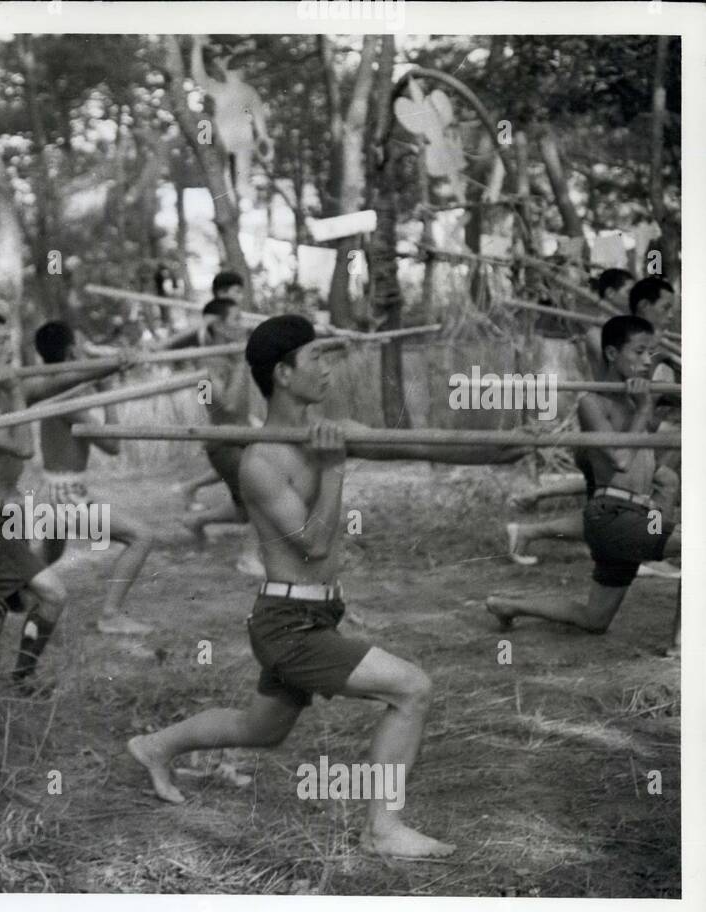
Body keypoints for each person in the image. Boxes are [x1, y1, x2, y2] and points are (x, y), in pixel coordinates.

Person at [129, 315, 524, 858]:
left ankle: (154, 746)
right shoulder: (261, 461)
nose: (328, 368)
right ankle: (381, 829)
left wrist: (507, 448)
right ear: (284, 373)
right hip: (288, 625)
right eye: (317, 358)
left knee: (261, 728)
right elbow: (312, 545)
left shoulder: (331, 432)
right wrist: (335, 468)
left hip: (315, 615)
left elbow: (419, 445)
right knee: (412, 689)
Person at [0, 309, 101, 690]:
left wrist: (111, 365)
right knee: (53, 595)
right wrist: (13, 391)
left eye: (10, 340)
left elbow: (64, 378)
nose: (10, 349)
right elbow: (24, 448)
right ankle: (22, 682)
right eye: (0, 342)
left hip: (9, 517)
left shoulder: (13, 389)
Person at [487, 315, 680, 638]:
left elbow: (651, 466)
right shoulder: (591, 402)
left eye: (651, 353)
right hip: (613, 517)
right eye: (639, 352)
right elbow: (620, 459)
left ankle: (507, 605)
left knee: (594, 619)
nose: (647, 361)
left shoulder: (635, 402)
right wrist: (645, 409)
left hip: (635, 515)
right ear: (611, 354)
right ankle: (679, 647)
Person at [506, 273, 679, 576]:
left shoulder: (648, 341)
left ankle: (527, 529)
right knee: (631, 498)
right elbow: (627, 381)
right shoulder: (610, 337)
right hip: (605, 430)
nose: (671, 313)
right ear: (644, 305)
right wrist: (660, 368)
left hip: (624, 433)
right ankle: (648, 554)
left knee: (613, 507)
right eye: (665, 307)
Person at [32, 320, 156, 636]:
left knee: (47, 555)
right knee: (140, 537)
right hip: (64, 494)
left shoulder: (55, 386)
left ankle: (5, 599)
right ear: (73, 350)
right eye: (84, 344)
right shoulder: (68, 397)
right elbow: (113, 445)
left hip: (54, 489)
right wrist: (108, 393)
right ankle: (111, 616)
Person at [181, 299, 254, 541]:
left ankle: (196, 520)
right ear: (220, 327)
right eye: (237, 319)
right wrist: (242, 361)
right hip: (224, 444)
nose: (243, 325)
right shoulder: (207, 366)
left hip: (244, 438)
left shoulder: (231, 359)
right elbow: (229, 406)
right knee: (260, 499)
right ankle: (251, 557)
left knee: (246, 511)